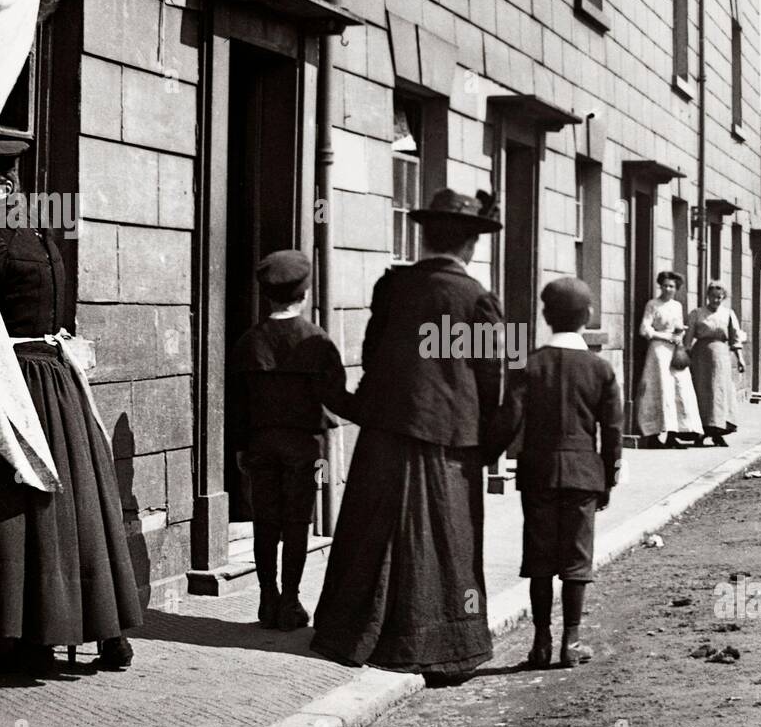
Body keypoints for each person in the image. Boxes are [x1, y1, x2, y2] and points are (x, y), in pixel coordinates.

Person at [0, 140, 141, 675]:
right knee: (84, 506)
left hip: (21, 380)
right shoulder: (44, 236)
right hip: (59, 376)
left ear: (4, 188)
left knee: (28, 506)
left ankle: (35, 638)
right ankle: (110, 634)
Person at [311, 189, 504, 683]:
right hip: (449, 440)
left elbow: (372, 356)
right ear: (471, 244)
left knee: (373, 529)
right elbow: (494, 377)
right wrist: (494, 441)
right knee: (445, 540)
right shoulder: (478, 299)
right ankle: (442, 642)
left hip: (386, 431)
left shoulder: (392, 287)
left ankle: (351, 630)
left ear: (426, 236)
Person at [485, 278, 622, 670]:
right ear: (588, 317)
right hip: (583, 475)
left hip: (539, 475)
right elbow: (611, 432)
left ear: (546, 317)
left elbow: (508, 420)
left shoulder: (528, 364)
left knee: (541, 560)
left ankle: (541, 642)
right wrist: (609, 479)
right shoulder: (600, 370)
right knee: (577, 561)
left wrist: (481, 457)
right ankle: (572, 642)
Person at [230, 249, 354, 631]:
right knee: (298, 523)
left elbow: (236, 404)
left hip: (260, 445)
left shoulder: (249, 342)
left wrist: (240, 447)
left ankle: (267, 599)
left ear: (266, 294)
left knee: (265, 523)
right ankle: (290, 601)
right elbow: (336, 398)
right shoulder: (317, 342)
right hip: (305, 448)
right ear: (304, 294)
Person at [634, 271, 702, 447]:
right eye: (665, 285)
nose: (668, 289)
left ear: (676, 288)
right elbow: (644, 329)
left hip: (675, 352)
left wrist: (680, 333)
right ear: (660, 286)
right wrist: (665, 337)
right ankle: (653, 435)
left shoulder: (677, 306)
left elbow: (679, 326)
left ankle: (674, 434)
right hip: (658, 352)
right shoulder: (653, 304)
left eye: (671, 286)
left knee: (679, 389)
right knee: (660, 390)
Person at [684, 280, 746, 447]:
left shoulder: (728, 314)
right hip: (701, 358)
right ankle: (700, 432)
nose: (716, 300)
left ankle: (718, 432)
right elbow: (688, 338)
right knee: (702, 392)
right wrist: (685, 356)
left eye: (719, 297)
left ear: (723, 297)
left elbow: (735, 338)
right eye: (713, 297)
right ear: (707, 296)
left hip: (721, 358)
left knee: (720, 394)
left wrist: (740, 359)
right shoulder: (697, 313)